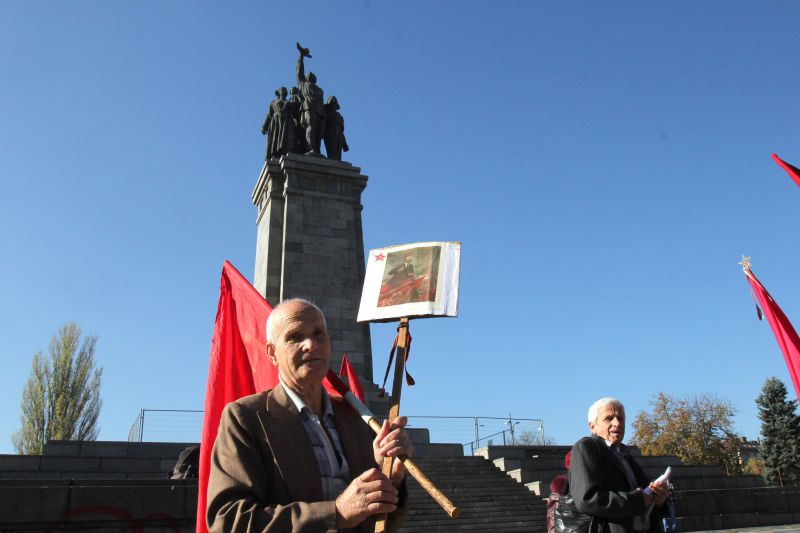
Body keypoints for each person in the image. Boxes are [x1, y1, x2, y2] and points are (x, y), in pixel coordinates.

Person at [206, 299, 411, 532]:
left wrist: (391, 479)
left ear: (329, 344)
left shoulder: (356, 419)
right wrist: (336, 513)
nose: (311, 345)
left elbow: (381, 522)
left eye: (319, 334)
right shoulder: (245, 418)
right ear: (272, 353)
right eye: (295, 337)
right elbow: (230, 521)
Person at [568, 398, 668, 533]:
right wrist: (637, 500)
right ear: (593, 426)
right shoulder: (585, 447)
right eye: (609, 418)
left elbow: (643, 498)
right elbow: (588, 499)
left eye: (620, 418)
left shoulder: (625, 454)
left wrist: (658, 500)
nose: (617, 423)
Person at [296, 44, 326, 155]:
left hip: (320, 109)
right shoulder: (303, 84)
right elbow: (299, 71)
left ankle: (317, 149)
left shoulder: (320, 90)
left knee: (320, 131)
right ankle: (311, 147)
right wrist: (301, 57)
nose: (310, 75)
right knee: (311, 126)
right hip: (308, 106)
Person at [261, 86, 298, 160]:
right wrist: (264, 126)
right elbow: (269, 115)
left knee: (289, 137)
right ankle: (276, 153)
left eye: (285, 90)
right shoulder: (273, 102)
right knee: (276, 138)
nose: (284, 90)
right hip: (276, 123)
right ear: (278, 93)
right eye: (282, 89)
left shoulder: (290, 103)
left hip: (287, 122)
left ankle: (287, 151)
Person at [323, 96, 349, 161]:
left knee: (338, 152)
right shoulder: (326, 113)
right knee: (331, 149)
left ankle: (337, 165)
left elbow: (341, 130)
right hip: (329, 133)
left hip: (339, 135)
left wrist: (344, 143)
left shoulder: (339, 115)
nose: (333, 105)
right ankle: (332, 164)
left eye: (334, 103)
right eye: (332, 103)